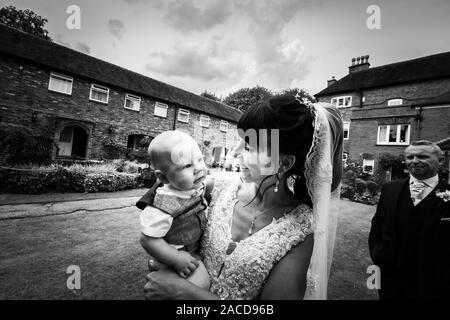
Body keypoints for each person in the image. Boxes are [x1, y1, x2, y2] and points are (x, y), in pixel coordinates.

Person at [144, 95, 344, 300]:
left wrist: (182, 291)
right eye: (240, 142)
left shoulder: (301, 232)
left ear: (283, 163)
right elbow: (168, 189)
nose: (235, 152)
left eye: (248, 147)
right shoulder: (220, 186)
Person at [369, 140, 450, 299]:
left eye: (422, 156)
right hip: (390, 273)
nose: (414, 161)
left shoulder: (447, 192)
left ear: (440, 160)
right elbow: (377, 224)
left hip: (434, 279)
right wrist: (378, 254)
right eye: (410, 157)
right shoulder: (390, 188)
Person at [136, 131, 213, 289]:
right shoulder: (162, 206)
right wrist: (176, 259)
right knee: (201, 285)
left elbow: (207, 185)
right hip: (176, 255)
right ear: (163, 178)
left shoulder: (189, 186)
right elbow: (148, 239)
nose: (198, 168)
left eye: (200, 159)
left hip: (192, 249)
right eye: (187, 165)